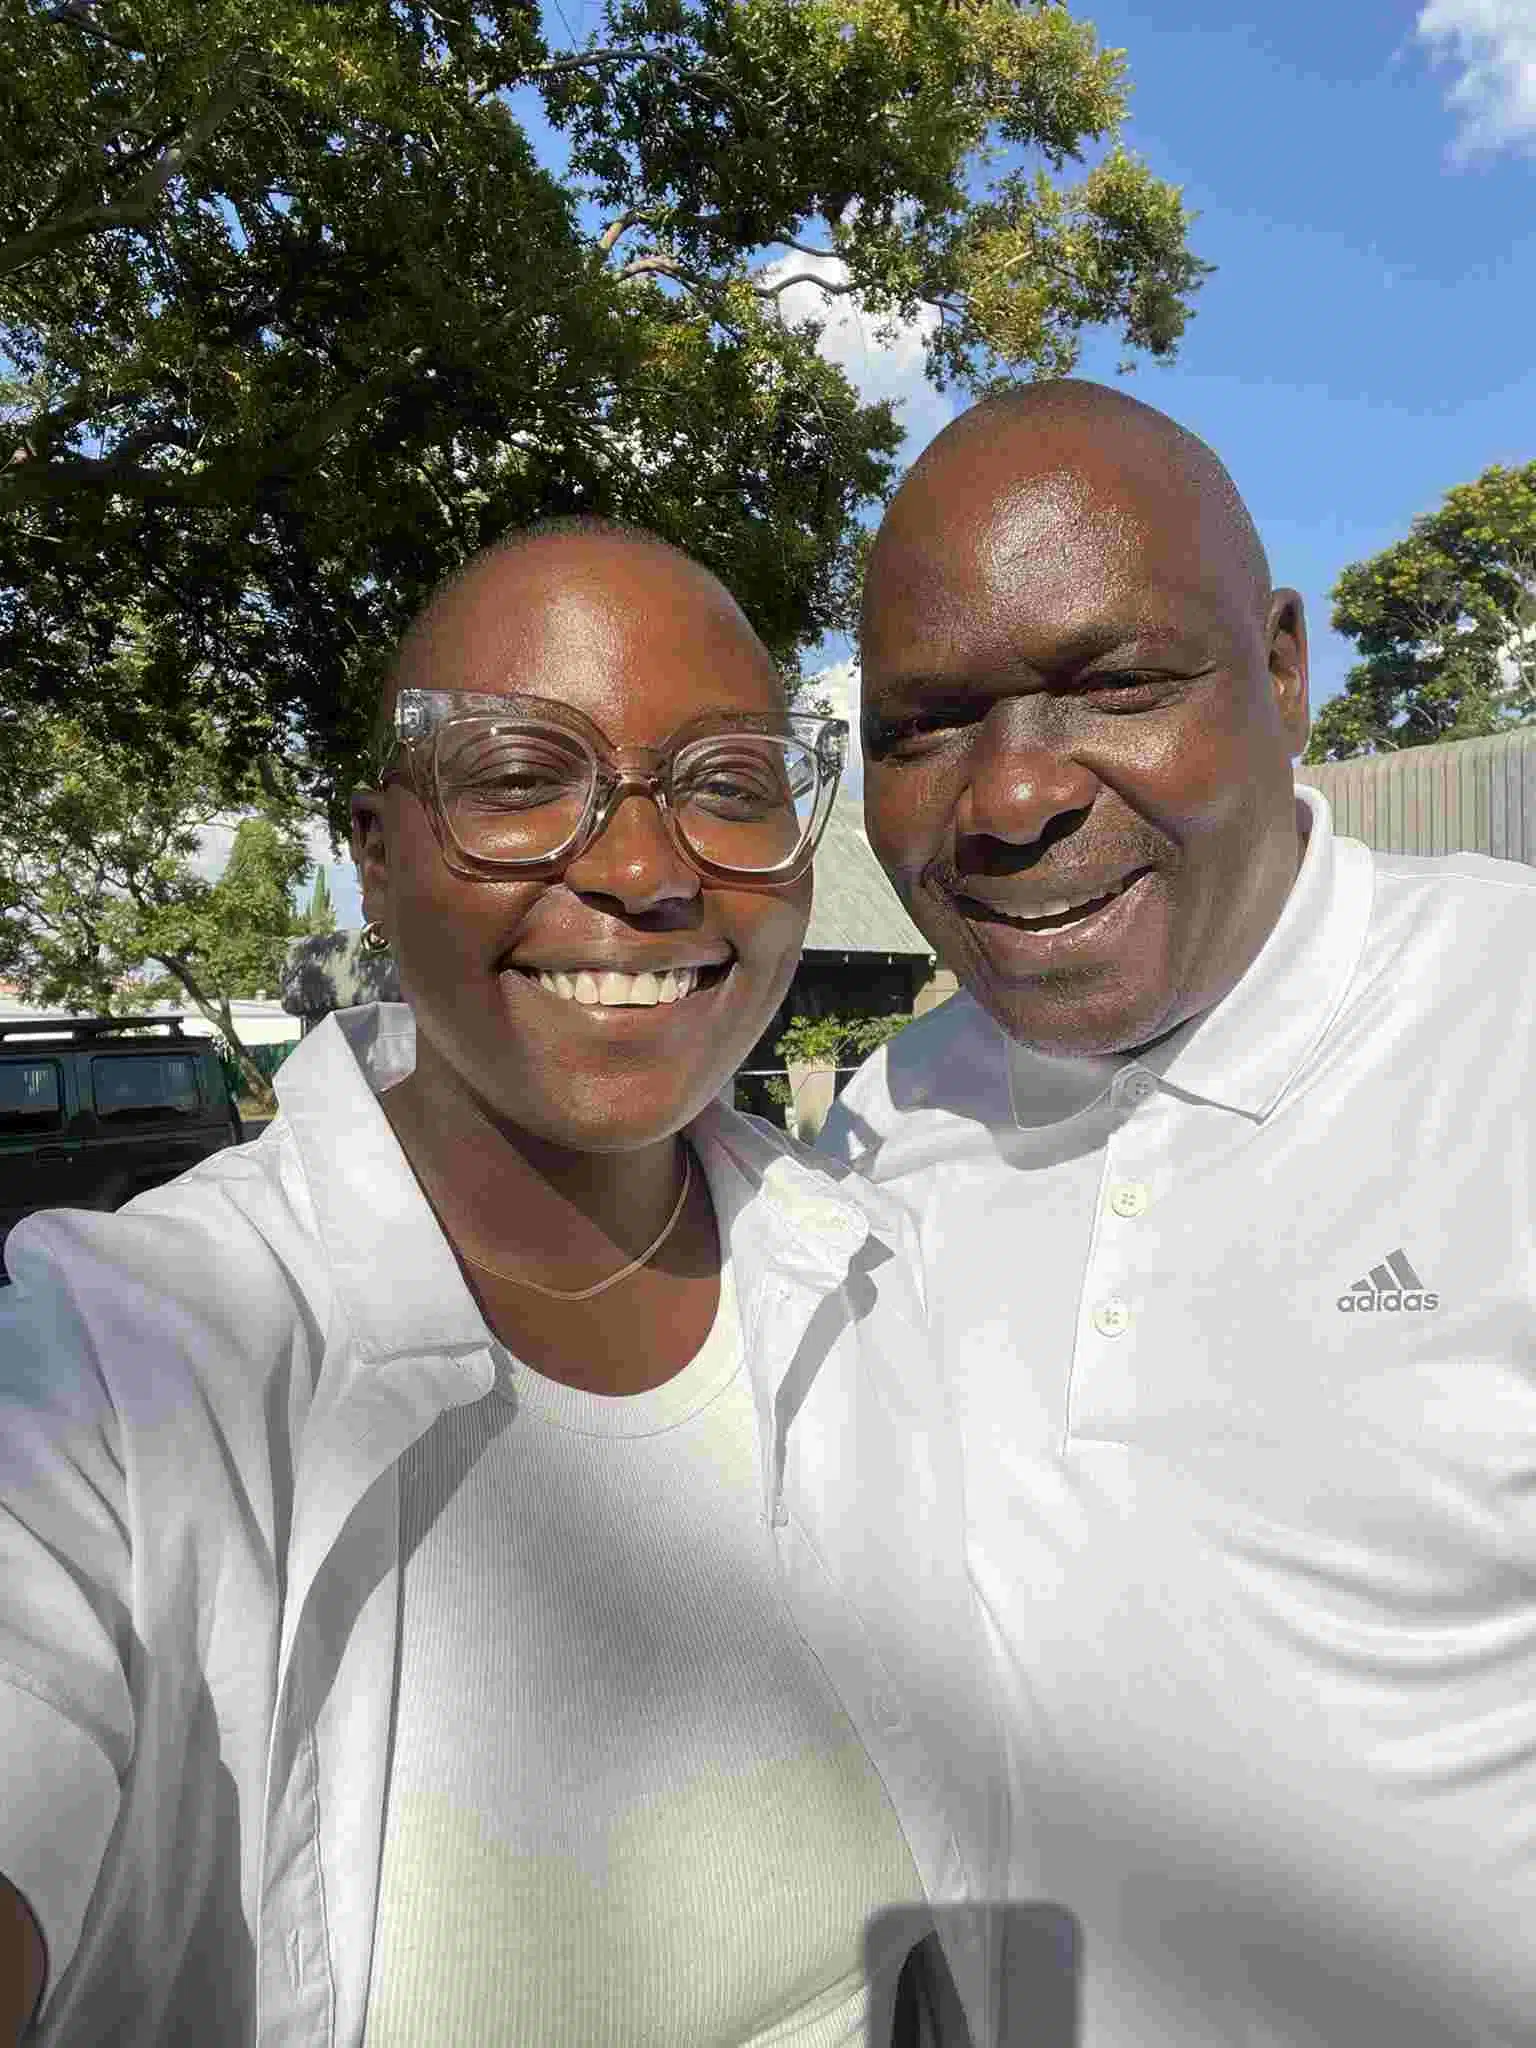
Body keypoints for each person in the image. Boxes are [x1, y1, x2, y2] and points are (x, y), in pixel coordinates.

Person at [0, 518, 1016, 2047]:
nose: (641, 871)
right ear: (374, 856)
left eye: (730, 787)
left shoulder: (874, 1275)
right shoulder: (126, 1369)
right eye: (521, 778)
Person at [820, 381, 1536, 2047]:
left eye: (1117, 687)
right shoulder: (882, 1126)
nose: (1011, 800)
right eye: (925, 727)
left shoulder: (1505, 1031)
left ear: (1283, 673)